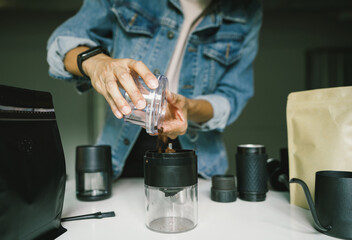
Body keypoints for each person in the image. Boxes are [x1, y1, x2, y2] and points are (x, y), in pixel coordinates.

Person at [47, 0, 262, 179]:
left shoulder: (247, 10)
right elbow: (61, 45)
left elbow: (232, 96)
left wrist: (188, 107)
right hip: (122, 154)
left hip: (199, 162)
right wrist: (96, 64)